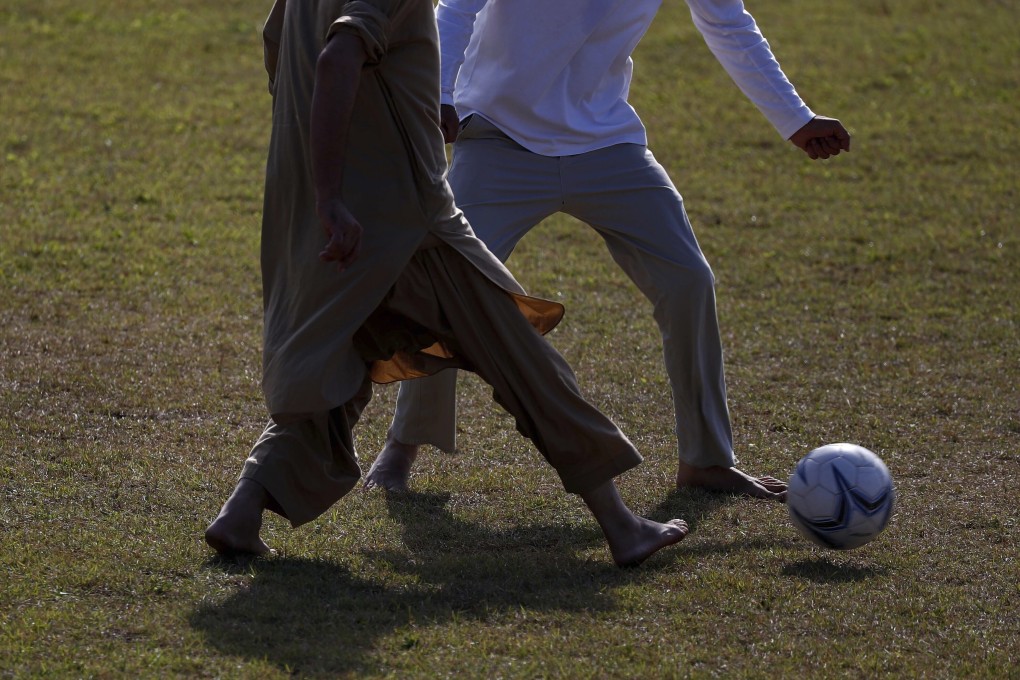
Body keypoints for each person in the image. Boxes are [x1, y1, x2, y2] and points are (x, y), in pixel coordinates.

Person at [204, 0, 689, 568]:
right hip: (405, 224)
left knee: (345, 370)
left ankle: (243, 509)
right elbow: (339, 56)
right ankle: (621, 526)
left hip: (331, 221)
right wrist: (335, 194)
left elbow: (279, 47)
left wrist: (345, 163)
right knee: (519, 353)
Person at [365, 0, 851, 499]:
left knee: (687, 280)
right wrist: (441, 94)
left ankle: (707, 461)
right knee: (450, 285)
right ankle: (403, 446)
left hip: (607, 144)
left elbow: (728, 23)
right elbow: (455, 9)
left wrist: (796, 119)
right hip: (498, 136)